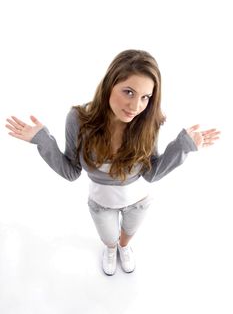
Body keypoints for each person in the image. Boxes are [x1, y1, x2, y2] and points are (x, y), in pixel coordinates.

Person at [5, 49, 220, 276]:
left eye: (145, 97)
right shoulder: (78, 119)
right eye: (128, 92)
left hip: (138, 200)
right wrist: (42, 141)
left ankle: (124, 248)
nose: (136, 106)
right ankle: (110, 249)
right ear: (109, 84)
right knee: (109, 238)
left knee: (127, 234)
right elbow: (71, 171)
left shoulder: (148, 122)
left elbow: (151, 173)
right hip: (101, 202)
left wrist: (182, 147)